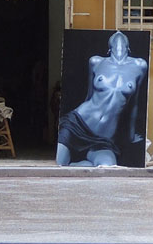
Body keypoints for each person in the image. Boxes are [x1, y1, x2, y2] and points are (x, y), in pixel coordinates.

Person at [56, 30, 147, 166]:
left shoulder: (140, 65)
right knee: (58, 164)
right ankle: (70, 164)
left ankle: (74, 165)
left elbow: (134, 104)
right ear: (108, 49)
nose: (118, 32)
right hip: (78, 124)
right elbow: (89, 95)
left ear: (129, 48)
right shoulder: (96, 61)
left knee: (108, 167)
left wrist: (131, 135)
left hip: (103, 138)